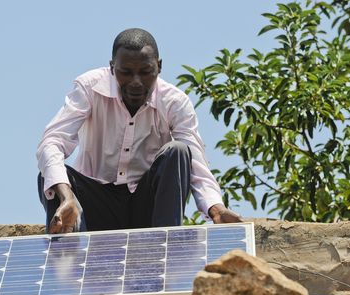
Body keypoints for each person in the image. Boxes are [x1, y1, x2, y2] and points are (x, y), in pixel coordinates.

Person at [36, 28, 242, 234]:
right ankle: (69, 257)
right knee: (50, 176)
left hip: (147, 210)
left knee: (178, 151)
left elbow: (196, 164)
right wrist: (67, 196)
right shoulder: (89, 87)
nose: (136, 82)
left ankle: (164, 245)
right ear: (112, 67)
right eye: (126, 72)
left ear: (159, 67)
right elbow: (53, 141)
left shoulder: (174, 102)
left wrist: (216, 209)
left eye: (145, 72)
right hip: (94, 207)